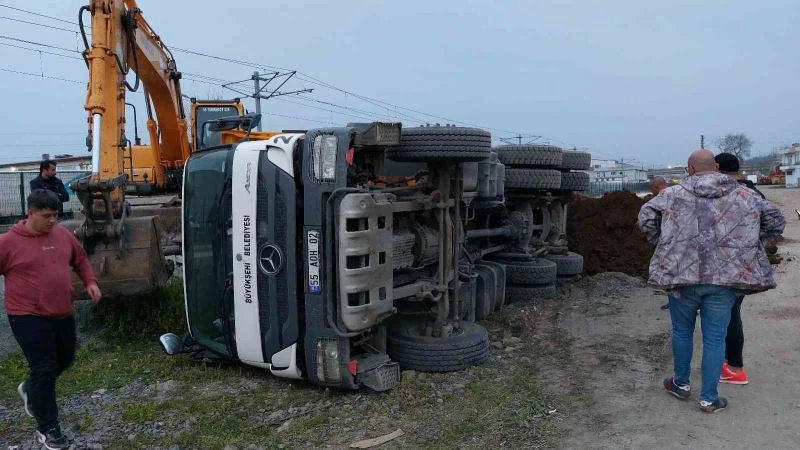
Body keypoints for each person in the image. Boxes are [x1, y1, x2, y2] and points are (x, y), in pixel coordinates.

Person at [638, 149, 785, 413]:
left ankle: (681, 384)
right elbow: (776, 221)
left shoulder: (671, 195)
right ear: (716, 167)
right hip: (724, 280)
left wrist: (664, 242)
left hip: (681, 276)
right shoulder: (746, 195)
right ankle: (709, 398)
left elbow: (646, 217)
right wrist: (749, 244)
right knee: (715, 338)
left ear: (690, 169)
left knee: (682, 331)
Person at [0, 189, 102, 449]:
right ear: (30, 213)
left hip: (61, 311)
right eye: (47, 216)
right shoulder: (8, 243)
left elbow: (79, 259)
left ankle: (31, 389)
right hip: (27, 315)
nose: (53, 220)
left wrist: (90, 281)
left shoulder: (62, 234)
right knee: (44, 368)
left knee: (65, 358)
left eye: (55, 215)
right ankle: (48, 428)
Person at [713, 153, 767, 385]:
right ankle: (728, 363)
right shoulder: (755, 193)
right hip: (745, 264)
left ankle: (735, 367)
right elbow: (769, 225)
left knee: (730, 314)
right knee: (730, 312)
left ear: (717, 168)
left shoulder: (732, 194)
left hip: (730, 265)